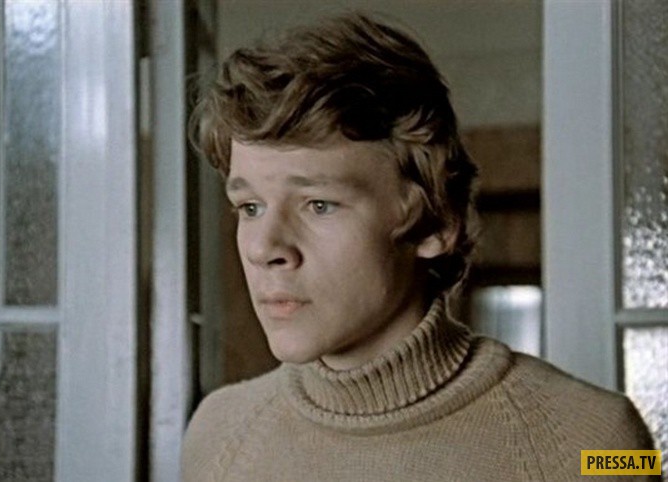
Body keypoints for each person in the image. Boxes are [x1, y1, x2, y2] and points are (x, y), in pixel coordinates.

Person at [182, 13, 656, 481]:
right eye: (250, 207)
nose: (264, 247)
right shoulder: (216, 432)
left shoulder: (600, 444)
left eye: (319, 205)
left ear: (435, 224)